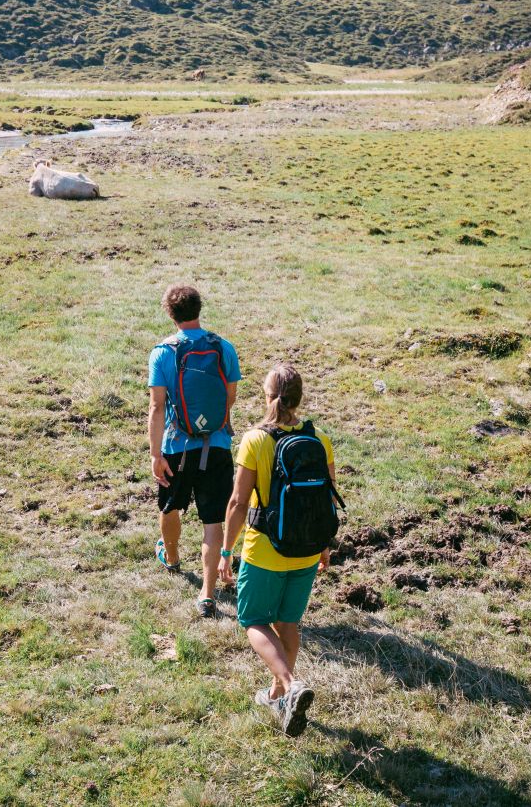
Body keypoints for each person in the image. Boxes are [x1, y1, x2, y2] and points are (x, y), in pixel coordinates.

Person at [219, 365, 342, 737]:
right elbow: (328, 499)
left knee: (253, 619)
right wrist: (324, 546)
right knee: (288, 623)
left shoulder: (255, 439)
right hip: (306, 550)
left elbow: (239, 502)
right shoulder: (319, 438)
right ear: (300, 397)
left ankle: (290, 684)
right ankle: (277, 695)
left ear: (266, 396)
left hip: (266, 550)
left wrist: (226, 551)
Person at [148, 284, 241, 617]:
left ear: (170, 314)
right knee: (213, 520)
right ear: (199, 309)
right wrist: (218, 425)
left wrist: (156, 454)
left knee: (171, 505)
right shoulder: (223, 347)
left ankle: (171, 557)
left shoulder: (162, 352)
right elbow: (230, 397)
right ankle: (206, 592)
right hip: (216, 444)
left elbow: (157, 407)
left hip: (177, 444)